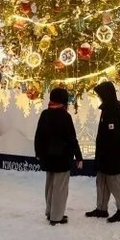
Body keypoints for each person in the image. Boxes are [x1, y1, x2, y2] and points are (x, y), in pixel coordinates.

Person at [86, 81, 120, 223]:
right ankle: (101, 209)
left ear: (106, 95)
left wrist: (107, 151)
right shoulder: (107, 109)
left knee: (115, 183)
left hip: (113, 157)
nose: (99, 97)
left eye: (100, 95)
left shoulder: (115, 112)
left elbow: (113, 137)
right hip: (104, 156)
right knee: (101, 181)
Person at [34, 87, 83, 226]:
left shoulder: (45, 114)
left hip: (47, 157)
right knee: (60, 189)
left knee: (50, 186)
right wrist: (79, 157)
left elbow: (38, 136)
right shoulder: (65, 116)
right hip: (62, 158)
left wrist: (39, 153)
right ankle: (56, 216)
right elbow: (72, 139)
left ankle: (50, 212)